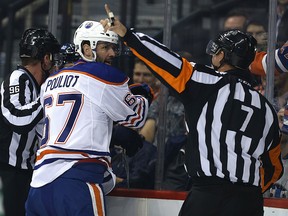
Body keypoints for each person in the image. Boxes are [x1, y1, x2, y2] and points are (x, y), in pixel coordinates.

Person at [101, 4, 283, 216]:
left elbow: (163, 59)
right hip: (249, 202)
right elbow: (274, 167)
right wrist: (246, 189)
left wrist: (127, 35)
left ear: (222, 56)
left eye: (215, 52)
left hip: (209, 196)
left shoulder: (206, 81)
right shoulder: (266, 108)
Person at [25, 20, 150, 216]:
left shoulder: (49, 82)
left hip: (38, 185)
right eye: (105, 47)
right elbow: (136, 117)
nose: (112, 53)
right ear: (86, 48)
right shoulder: (104, 74)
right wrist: (143, 95)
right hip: (78, 181)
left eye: (113, 47)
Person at [0, 28, 60, 216]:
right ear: (45, 57)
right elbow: (17, 118)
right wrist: (47, 98)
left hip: (27, 170)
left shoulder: (39, 86)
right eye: (52, 55)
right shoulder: (17, 79)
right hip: (8, 170)